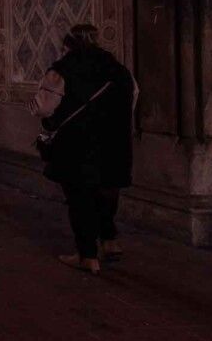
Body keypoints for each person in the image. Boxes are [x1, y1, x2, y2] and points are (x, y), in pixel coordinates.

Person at [31, 23, 137, 275]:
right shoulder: (117, 68)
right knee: (108, 188)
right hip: (114, 139)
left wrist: (34, 107)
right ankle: (110, 241)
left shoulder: (63, 69)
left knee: (80, 195)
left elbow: (45, 107)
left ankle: (86, 255)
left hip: (76, 142)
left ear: (67, 45)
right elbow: (133, 95)